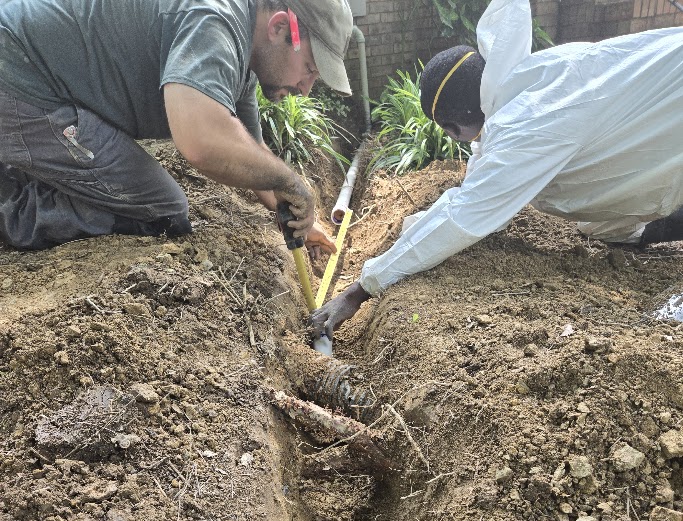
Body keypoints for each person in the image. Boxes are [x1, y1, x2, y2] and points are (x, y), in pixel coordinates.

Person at [310, 0, 683, 343]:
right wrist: (409, 229)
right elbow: (477, 180)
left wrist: (360, 289)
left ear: (453, 126)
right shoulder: (526, 81)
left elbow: (465, 214)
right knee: (598, 220)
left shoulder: (523, 127)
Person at [0, 0, 352, 255]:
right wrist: (289, 180)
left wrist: (299, 218)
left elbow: (251, 149)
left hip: (36, 74)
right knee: (162, 209)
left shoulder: (242, 56)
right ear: (278, 27)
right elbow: (200, 140)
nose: (305, 88)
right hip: (19, 77)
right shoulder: (214, 21)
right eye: (309, 68)